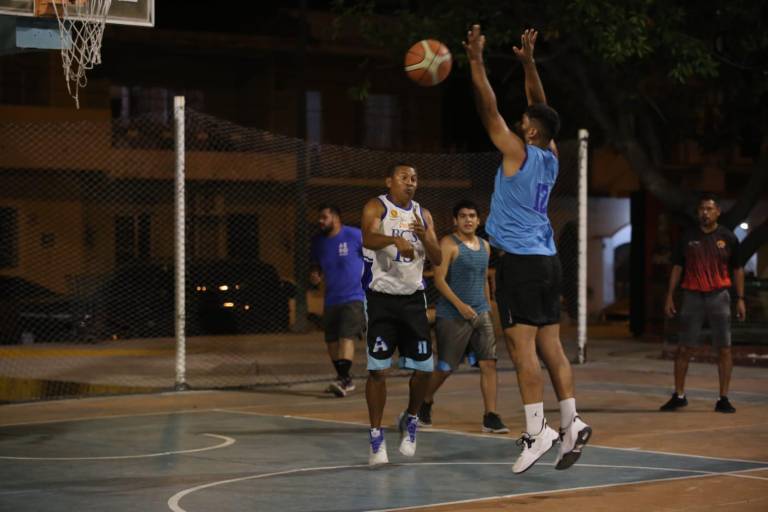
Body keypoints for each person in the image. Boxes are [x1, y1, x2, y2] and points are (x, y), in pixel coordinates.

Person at [465, 24, 591, 473]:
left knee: (521, 351)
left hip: (519, 262)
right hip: (548, 261)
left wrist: (477, 61)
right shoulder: (552, 153)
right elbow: (543, 108)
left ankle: (538, 431)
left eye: (525, 124)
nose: (519, 123)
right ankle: (571, 420)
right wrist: (529, 65)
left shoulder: (519, 153)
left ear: (531, 133)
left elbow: (488, 111)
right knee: (551, 347)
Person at [361, 163, 442, 465]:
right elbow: (368, 239)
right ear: (389, 181)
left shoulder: (423, 214)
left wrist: (426, 237)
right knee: (376, 371)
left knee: (424, 368)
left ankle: (410, 419)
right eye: (404, 178)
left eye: (414, 179)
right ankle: (375, 435)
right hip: (381, 300)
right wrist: (395, 239)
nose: (410, 183)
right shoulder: (376, 206)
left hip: (413, 300)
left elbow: (438, 258)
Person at [418, 199, 509, 434]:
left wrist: (487, 306)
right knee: (446, 366)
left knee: (489, 363)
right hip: (452, 315)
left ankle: (491, 416)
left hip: (480, 314)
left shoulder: (485, 246)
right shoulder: (448, 244)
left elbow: (483, 278)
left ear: (478, 221)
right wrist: (460, 306)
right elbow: (439, 280)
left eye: (472, 216)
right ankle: (424, 402)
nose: (468, 219)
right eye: (463, 216)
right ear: (455, 221)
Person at [661, 193, 746, 413]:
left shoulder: (728, 237)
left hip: (720, 296)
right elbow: (677, 267)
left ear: (718, 211)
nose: (705, 213)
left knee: (724, 349)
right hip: (692, 296)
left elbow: (737, 269)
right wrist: (670, 294)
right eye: (702, 209)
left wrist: (740, 299)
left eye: (709, 209)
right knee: (684, 348)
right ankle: (679, 395)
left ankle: (723, 398)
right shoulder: (687, 237)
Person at [309, 204, 366, 397]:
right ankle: (344, 378)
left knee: (345, 337)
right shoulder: (318, 242)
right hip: (331, 298)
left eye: (324, 217)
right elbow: (317, 266)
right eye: (320, 217)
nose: (320, 221)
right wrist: (316, 275)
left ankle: (343, 380)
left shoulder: (355, 235)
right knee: (331, 341)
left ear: (336, 218)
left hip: (354, 296)